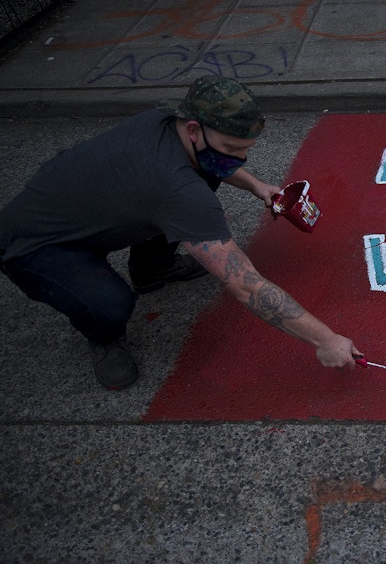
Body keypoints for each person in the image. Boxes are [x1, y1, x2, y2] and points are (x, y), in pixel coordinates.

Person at [0, 75, 362, 390]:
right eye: (232, 149)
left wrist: (257, 187)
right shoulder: (176, 190)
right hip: (34, 244)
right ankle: (105, 336)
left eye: (245, 151)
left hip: (87, 210)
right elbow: (245, 284)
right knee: (111, 305)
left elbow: (213, 163)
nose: (239, 160)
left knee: (204, 174)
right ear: (193, 128)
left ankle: (153, 269)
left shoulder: (167, 123)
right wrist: (325, 340)